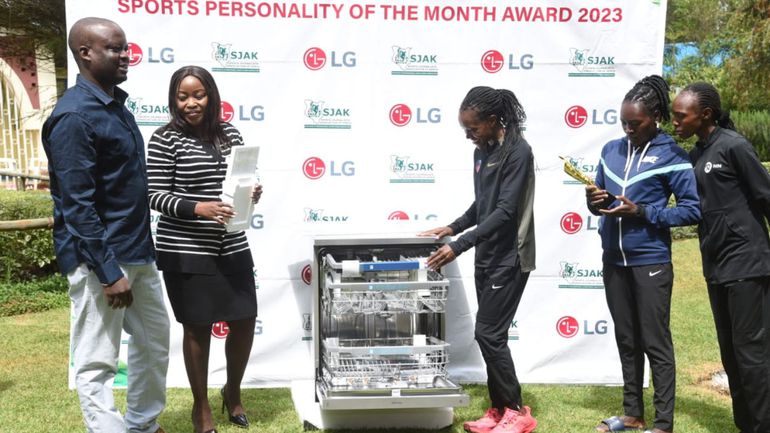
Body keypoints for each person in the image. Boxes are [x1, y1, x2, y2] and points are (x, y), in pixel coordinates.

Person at [41, 17, 170, 433]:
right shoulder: (75, 117)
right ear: (85, 53)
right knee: (97, 359)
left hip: (137, 252)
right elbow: (76, 205)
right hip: (101, 261)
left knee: (153, 345)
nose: (124, 55)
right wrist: (107, 271)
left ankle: (143, 425)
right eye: (114, 48)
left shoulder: (116, 107)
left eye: (125, 47)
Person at [147, 65, 262, 433]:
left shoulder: (229, 133)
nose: (191, 103)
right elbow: (153, 195)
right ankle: (201, 409)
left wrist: (252, 192)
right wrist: (199, 207)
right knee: (197, 328)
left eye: (198, 95)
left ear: (211, 95)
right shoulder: (165, 139)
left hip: (230, 242)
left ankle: (233, 392)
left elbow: (238, 180)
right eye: (183, 97)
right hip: (184, 248)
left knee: (244, 320)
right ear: (173, 100)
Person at [586, 75, 700, 433]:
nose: (628, 129)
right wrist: (593, 201)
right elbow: (598, 201)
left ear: (655, 119)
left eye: (635, 124)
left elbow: (693, 209)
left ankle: (663, 423)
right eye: (623, 123)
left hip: (650, 261)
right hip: (614, 261)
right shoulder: (611, 151)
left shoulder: (672, 155)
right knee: (626, 338)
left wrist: (644, 212)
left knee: (655, 342)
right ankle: (632, 413)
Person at [420, 86, 537, 433]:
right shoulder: (482, 152)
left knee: (489, 333)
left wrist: (459, 244)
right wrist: (453, 227)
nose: (469, 135)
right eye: (464, 129)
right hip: (487, 256)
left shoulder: (519, 151)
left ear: (492, 119)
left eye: (473, 128)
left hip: (511, 256)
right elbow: (482, 205)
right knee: (489, 334)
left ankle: (517, 411)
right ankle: (498, 409)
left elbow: (505, 211)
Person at [672, 82, 770, 433]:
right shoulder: (695, 155)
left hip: (747, 263)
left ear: (706, 114)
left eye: (681, 116)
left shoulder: (734, 146)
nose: (675, 123)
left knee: (752, 356)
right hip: (716, 268)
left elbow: (766, 196)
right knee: (731, 356)